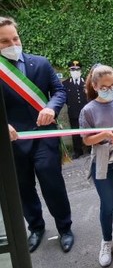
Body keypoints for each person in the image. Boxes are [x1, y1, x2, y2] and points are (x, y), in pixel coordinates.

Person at [0, 16, 74, 253]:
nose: (13, 44)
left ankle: (65, 228)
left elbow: (59, 91)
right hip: (14, 139)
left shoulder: (40, 63)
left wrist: (51, 107)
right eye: (4, 41)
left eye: (15, 38)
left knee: (51, 181)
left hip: (44, 135)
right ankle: (36, 228)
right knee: (23, 187)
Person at [79, 65, 113, 267]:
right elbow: (86, 140)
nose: (109, 89)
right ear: (95, 86)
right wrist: (103, 134)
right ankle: (106, 241)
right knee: (108, 203)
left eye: (112, 85)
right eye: (104, 86)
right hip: (101, 163)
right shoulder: (88, 110)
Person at [62, 60, 87, 158]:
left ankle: (90, 148)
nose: (75, 71)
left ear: (81, 70)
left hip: (86, 111)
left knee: (88, 130)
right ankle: (78, 151)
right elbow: (64, 98)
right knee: (75, 131)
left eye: (77, 69)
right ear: (70, 70)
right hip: (73, 111)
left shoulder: (86, 82)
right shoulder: (65, 84)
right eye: (73, 69)